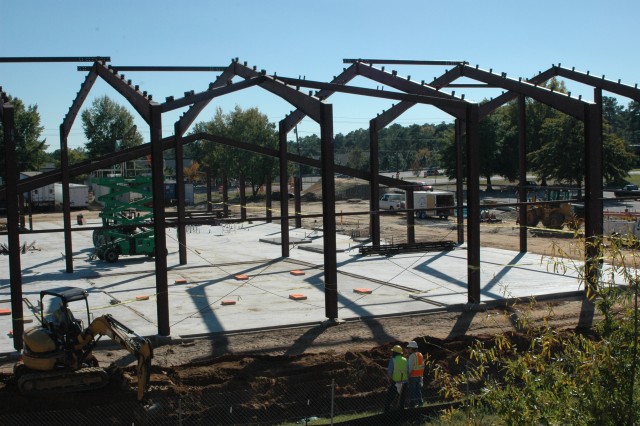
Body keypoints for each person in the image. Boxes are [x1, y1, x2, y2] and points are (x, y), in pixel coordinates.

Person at [384, 345, 407, 412]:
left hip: (395, 381)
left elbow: (390, 371)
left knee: (390, 397)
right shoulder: (405, 360)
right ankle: (401, 410)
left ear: (395, 353)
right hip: (404, 382)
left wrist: (389, 378)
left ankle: (387, 410)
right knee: (402, 398)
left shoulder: (393, 359)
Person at [406, 341, 425, 408]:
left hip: (413, 376)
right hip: (419, 376)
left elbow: (410, 367)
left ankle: (412, 404)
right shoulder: (420, 354)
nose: (408, 349)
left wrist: (407, 376)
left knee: (412, 391)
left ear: (412, 348)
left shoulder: (412, 356)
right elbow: (423, 365)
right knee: (418, 390)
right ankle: (420, 403)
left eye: (409, 348)